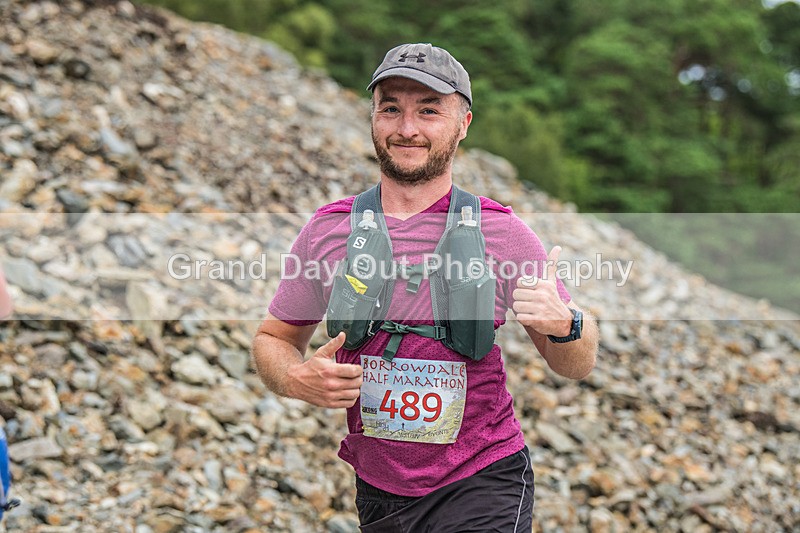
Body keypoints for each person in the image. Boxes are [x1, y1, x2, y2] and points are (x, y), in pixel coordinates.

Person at [252, 43, 598, 532]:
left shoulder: (503, 234)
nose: (407, 128)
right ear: (372, 117)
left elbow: (576, 364)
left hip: (484, 477)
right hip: (379, 490)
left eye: (429, 111)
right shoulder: (329, 230)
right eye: (391, 108)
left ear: (463, 124)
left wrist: (567, 325)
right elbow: (274, 339)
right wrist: (293, 379)